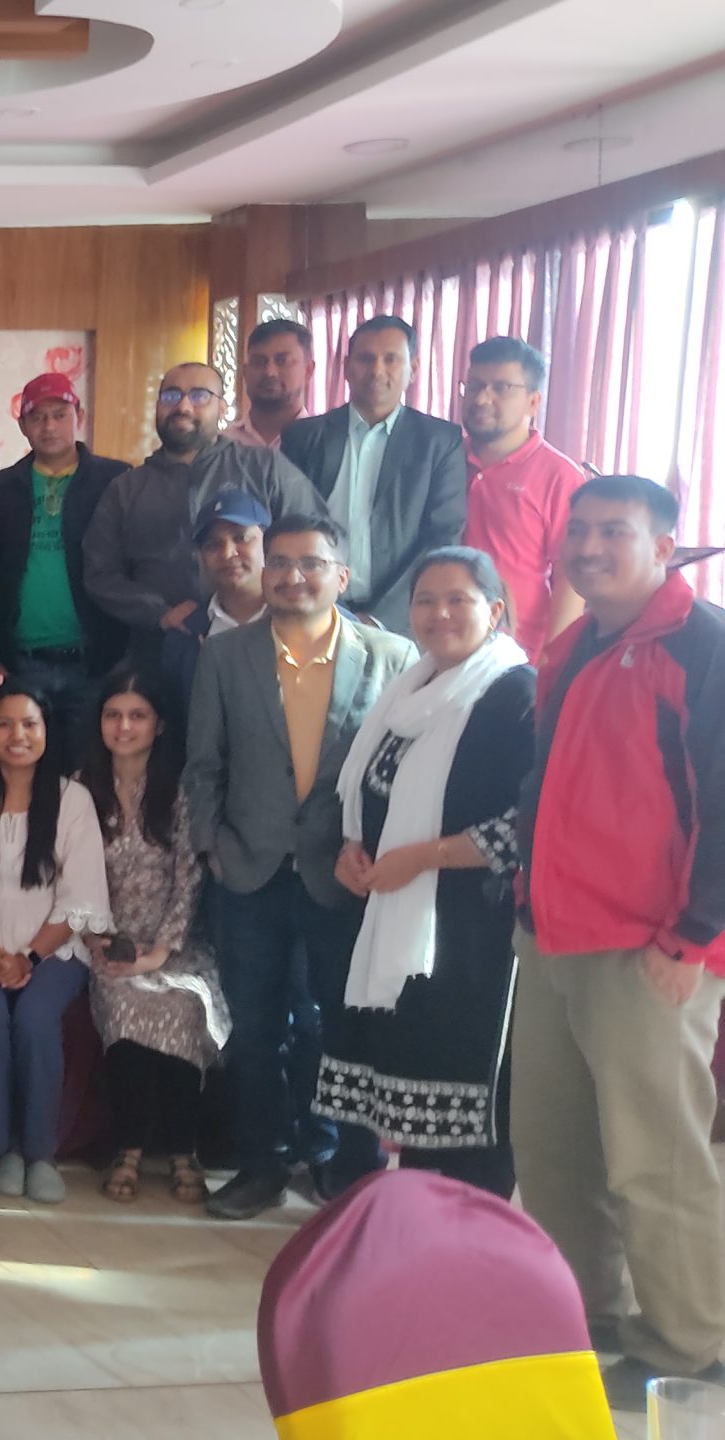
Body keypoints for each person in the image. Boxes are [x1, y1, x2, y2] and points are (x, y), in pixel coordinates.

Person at [512, 474, 725, 1405]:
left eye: (615, 532)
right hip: (552, 935)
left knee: (654, 1157)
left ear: (664, 547)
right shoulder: (575, 643)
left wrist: (693, 939)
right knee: (554, 1151)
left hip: (651, 948)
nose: (590, 548)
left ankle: (688, 1343)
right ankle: (587, 1318)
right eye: (580, 531)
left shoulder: (701, 645)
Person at [185, 515, 416, 1220]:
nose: (293, 576)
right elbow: (204, 764)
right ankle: (260, 1165)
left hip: (342, 873)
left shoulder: (393, 657)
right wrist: (211, 846)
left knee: (342, 1026)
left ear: (341, 576)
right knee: (256, 1028)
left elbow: (404, 771)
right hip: (248, 869)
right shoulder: (225, 656)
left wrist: (382, 852)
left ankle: (344, 1165)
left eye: (311, 563)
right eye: (280, 563)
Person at [317, 548, 532, 1200]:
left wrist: (423, 857)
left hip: (471, 934)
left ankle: (474, 1236)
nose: (440, 614)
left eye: (458, 599)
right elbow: (370, 794)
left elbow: (525, 826)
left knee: (466, 1110)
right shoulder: (409, 691)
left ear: (495, 610)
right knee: (410, 1091)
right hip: (397, 915)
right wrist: (352, 849)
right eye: (425, 601)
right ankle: (418, 1230)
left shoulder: (515, 694)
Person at [0, 686, 109, 1204]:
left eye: (29, 724)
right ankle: (4, 1150)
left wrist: (29, 957)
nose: (17, 735)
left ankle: (40, 1153)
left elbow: (80, 896)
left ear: (46, 732)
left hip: (53, 950)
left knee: (37, 1020)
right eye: (4, 724)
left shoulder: (72, 800)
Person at [78, 668, 225, 1206]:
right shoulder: (81, 789)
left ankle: (185, 1150)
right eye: (113, 715)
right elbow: (72, 873)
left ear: (159, 725)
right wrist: (97, 938)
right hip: (106, 941)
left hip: (176, 944)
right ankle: (130, 1148)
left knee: (183, 1006)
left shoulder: (180, 790)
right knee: (125, 1007)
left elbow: (189, 876)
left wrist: (160, 951)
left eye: (137, 716)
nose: (123, 727)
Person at [86, 363, 323, 671]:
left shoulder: (264, 469)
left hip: (262, 643)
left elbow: (315, 541)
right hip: (158, 653)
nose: (183, 407)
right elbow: (100, 573)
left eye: (199, 395)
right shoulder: (127, 488)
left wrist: (275, 601)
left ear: (223, 408)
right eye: (171, 396)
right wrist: (159, 613)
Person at [280, 316, 470, 631]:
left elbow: (442, 537)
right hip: (313, 611)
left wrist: (382, 618)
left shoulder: (439, 442)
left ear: (414, 368)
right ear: (346, 367)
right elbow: (287, 524)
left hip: (401, 622)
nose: (377, 370)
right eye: (366, 359)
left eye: (391, 359)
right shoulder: (303, 438)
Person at [0, 373, 129, 744]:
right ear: (22, 425)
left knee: (91, 766)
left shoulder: (114, 479)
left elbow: (131, 568)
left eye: (60, 415)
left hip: (98, 659)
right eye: (38, 417)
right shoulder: (5, 485)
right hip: (24, 662)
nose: (49, 426)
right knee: (25, 761)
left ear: (80, 416)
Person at [460, 335, 588, 654]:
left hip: (516, 652)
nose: (482, 399)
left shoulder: (560, 475)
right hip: (438, 639)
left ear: (533, 401)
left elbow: (571, 577)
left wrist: (552, 659)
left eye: (501, 388)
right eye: (474, 386)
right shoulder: (445, 458)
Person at [160, 490, 272, 709]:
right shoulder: (185, 634)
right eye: (213, 545)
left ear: (268, 544)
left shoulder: (299, 618)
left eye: (241, 538)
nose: (228, 553)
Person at [224, 318, 315, 450]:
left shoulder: (325, 446)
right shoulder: (220, 447)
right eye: (258, 362)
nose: (269, 372)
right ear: (244, 372)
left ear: (308, 370)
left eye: (282, 361)